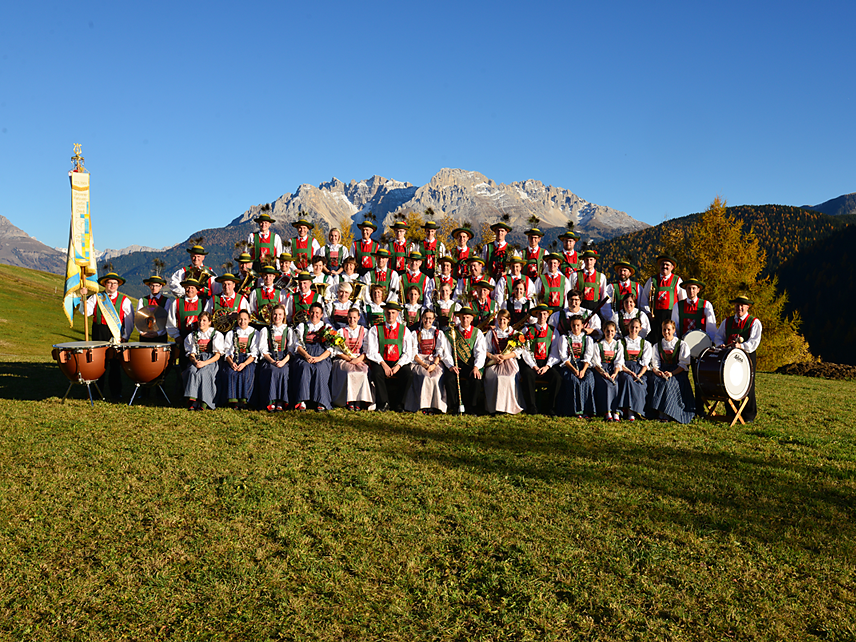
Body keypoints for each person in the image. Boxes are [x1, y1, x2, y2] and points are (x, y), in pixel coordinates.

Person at [79, 272, 134, 400]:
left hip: (115, 334)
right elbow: (84, 312)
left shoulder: (124, 300)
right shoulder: (96, 297)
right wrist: (83, 298)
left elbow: (129, 320)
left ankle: (116, 392)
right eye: (109, 283)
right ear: (104, 284)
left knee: (115, 365)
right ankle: (97, 391)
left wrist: (125, 336)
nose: (112, 285)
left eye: (115, 283)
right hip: (99, 332)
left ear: (118, 285)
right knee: (98, 364)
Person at [713, 295, 763, 422]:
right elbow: (718, 336)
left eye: (742, 305)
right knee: (730, 383)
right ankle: (731, 411)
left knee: (748, 385)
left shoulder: (754, 322)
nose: (739, 308)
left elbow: (754, 342)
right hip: (729, 357)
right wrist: (721, 345)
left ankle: (749, 415)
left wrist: (742, 346)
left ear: (747, 307)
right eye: (737, 305)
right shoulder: (727, 321)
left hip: (747, 356)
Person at [366, 302, 415, 412]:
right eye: (388, 312)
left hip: (398, 362)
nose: (390, 315)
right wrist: (383, 365)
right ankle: (384, 403)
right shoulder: (375, 329)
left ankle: (399, 404)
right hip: (382, 361)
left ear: (397, 314)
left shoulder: (405, 330)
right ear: (384, 313)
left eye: (393, 313)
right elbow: (372, 351)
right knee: (377, 373)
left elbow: (408, 352)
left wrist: (398, 366)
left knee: (408, 375)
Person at [518, 304, 562, 415]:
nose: (542, 316)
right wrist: (534, 366)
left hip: (546, 363)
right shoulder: (527, 329)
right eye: (540, 313)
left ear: (548, 315)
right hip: (532, 363)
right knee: (527, 375)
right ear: (536, 315)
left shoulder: (553, 331)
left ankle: (551, 407)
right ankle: (532, 406)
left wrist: (547, 366)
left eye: (544, 314)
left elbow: (554, 351)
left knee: (556, 378)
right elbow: (525, 351)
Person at [648, 319, 695, 423]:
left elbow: (683, 365)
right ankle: (657, 411)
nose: (666, 332)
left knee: (670, 383)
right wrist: (657, 372)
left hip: (678, 372)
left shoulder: (682, 345)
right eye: (664, 330)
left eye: (669, 330)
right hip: (663, 371)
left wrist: (672, 373)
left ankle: (669, 413)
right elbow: (655, 364)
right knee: (654, 380)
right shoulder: (657, 345)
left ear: (674, 330)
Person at [442, 307, 486, 415]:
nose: (465, 320)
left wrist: (476, 367)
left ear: (472, 318)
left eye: (467, 317)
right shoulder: (451, 332)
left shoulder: (477, 333)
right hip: (455, 364)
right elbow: (446, 352)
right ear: (459, 318)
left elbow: (480, 352)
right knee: (449, 379)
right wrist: (451, 366)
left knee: (476, 379)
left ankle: (472, 407)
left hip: (471, 364)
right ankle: (455, 406)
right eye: (463, 317)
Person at [404, 309, 449, 414]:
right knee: (425, 377)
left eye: (430, 318)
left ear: (433, 319)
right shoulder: (415, 334)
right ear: (422, 319)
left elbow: (440, 351)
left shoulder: (438, 333)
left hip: (434, 361)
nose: (427, 320)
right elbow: (413, 353)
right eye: (425, 318)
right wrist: (424, 364)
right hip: (420, 361)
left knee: (435, 377)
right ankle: (424, 406)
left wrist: (434, 365)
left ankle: (436, 406)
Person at [291, 301, 334, 411]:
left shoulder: (327, 327)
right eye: (312, 312)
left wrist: (319, 358)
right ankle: (302, 401)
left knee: (320, 369)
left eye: (317, 313)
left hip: (321, 355)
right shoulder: (302, 326)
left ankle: (321, 401)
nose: (314, 315)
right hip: (305, 354)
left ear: (321, 315)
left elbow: (330, 348)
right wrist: (307, 356)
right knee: (304, 368)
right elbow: (297, 346)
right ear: (308, 313)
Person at [331, 308, 375, 410]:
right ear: (347, 318)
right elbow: (336, 351)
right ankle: (350, 400)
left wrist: (358, 359)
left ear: (359, 318)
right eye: (350, 317)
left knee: (363, 372)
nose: (352, 320)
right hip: (344, 359)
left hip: (359, 359)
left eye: (355, 318)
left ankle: (359, 400)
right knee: (349, 372)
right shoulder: (341, 331)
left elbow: (367, 350)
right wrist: (348, 358)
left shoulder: (364, 331)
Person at [553, 314, 596, 418]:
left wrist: (583, 370)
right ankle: (574, 410)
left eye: (578, 325)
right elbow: (564, 357)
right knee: (573, 380)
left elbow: (588, 356)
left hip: (583, 365)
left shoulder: (587, 339)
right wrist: (574, 370)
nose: (576, 328)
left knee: (588, 378)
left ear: (582, 326)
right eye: (573, 325)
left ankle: (586, 409)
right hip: (569, 366)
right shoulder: (564, 338)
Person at [483, 309, 525, 415]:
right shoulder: (491, 333)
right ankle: (495, 407)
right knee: (496, 377)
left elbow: (518, 351)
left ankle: (509, 407)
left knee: (510, 377)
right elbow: (485, 350)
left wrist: (505, 357)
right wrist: (493, 356)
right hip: (494, 362)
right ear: (497, 320)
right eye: (500, 319)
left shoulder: (515, 333)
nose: (502, 322)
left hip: (509, 361)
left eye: (504, 319)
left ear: (508, 320)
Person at [183, 311, 224, 410]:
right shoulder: (193, 335)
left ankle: (204, 401)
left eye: (204, 320)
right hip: (197, 359)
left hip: (211, 361)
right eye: (200, 320)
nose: (201, 323)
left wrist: (204, 363)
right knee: (192, 371)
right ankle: (193, 400)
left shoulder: (216, 334)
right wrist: (195, 362)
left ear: (210, 322)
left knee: (204, 373)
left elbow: (217, 355)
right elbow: (191, 354)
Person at [641, 255, 685, 343]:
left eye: (667, 265)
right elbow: (644, 299)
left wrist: (679, 317)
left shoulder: (677, 280)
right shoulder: (652, 280)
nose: (664, 266)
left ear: (672, 267)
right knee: (656, 342)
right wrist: (648, 313)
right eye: (662, 264)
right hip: (656, 318)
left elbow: (683, 301)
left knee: (671, 341)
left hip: (671, 316)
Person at [256, 305, 291, 411]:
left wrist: (283, 362)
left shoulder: (288, 330)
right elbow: (263, 350)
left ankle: (281, 401)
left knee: (284, 371)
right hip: (270, 358)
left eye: (280, 314)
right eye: (275, 314)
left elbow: (291, 350)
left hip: (284, 358)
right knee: (271, 370)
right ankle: (271, 400)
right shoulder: (265, 330)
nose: (277, 317)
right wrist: (272, 361)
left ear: (284, 316)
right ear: (271, 316)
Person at [616, 317, 652, 421]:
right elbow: (620, 361)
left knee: (641, 384)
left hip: (640, 370)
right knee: (628, 380)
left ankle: (638, 410)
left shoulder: (645, 344)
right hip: (625, 369)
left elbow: (646, 363)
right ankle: (630, 411)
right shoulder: (621, 343)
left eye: (636, 327)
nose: (634, 329)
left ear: (640, 328)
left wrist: (640, 374)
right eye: (632, 327)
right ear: (628, 327)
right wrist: (629, 371)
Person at [221, 310, 258, 409]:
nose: (242, 322)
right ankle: (234, 400)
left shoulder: (254, 332)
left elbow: (254, 353)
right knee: (230, 372)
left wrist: (244, 364)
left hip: (248, 359)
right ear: (237, 320)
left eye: (245, 319)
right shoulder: (231, 333)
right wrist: (231, 363)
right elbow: (227, 351)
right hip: (234, 358)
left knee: (246, 374)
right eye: (240, 319)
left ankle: (245, 400)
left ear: (249, 320)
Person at [591, 321, 626, 421]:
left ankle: (616, 411)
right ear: (603, 331)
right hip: (601, 370)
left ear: (615, 332)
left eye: (612, 331)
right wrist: (603, 373)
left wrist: (615, 373)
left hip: (614, 369)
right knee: (606, 384)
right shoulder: (598, 345)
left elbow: (619, 361)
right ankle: (607, 411)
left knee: (618, 383)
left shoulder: (618, 345)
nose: (609, 333)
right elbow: (596, 363)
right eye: (607, 331)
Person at [569, 250, 611, 320]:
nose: (589, 262)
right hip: (580, 308)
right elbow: (570, 293)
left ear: (595, 261)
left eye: (591, 260)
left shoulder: (601, 277)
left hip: (595, 308)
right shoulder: (575, 275)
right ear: (584, 261)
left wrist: (606, 315)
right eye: (587, 260)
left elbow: (603, 296)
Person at [136, 275, 171, 344]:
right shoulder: (142, 300)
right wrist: (142, 332)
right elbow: (138, 318)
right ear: (149, 286)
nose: (154, 288)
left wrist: (158, 333)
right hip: (145, 335)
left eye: (157, 285)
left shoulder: (166, 301)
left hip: (160, 336)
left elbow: (167, 320)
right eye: (152, 285)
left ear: (161, 286)